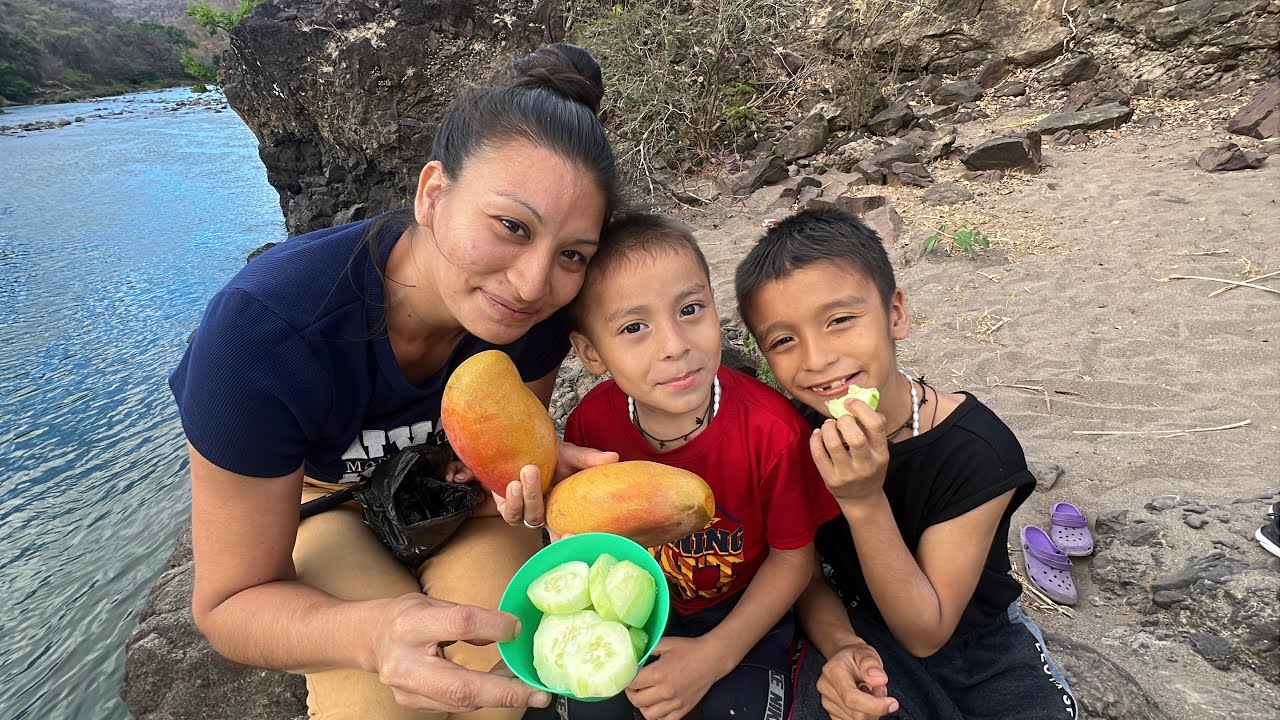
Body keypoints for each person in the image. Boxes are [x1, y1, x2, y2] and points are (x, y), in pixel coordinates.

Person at [168, 44, 622, 720]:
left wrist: (536, 468)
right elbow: (230, 603)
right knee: (378, 705)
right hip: (324, 496)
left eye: (572, 255)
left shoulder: (539, 311)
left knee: (507, 676)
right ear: (433, 194)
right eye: (509, 226)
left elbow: (497, 456)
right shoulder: (263, 332)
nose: (532, 283)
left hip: (450, 489)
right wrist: (374, 633)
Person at [734, 207, 1079, 720]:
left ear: (895, 314)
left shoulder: (976, 450)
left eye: (841, 320)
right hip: (854, 621)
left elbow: (926, 631)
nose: (816, 358)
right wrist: (841, 646)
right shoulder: (790, 435)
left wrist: (863, 499)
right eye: (783, 340)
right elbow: (805, 573)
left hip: (973, 635)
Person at [554, 214, 838, 720]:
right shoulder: (590, 428)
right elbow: (583, 535)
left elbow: (793, 559)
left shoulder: (772, 432)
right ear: (591, 351)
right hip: (636, 608)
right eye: (634, 327)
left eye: (690, 309)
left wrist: (716, 654)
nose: (675, 345)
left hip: (741, 611)